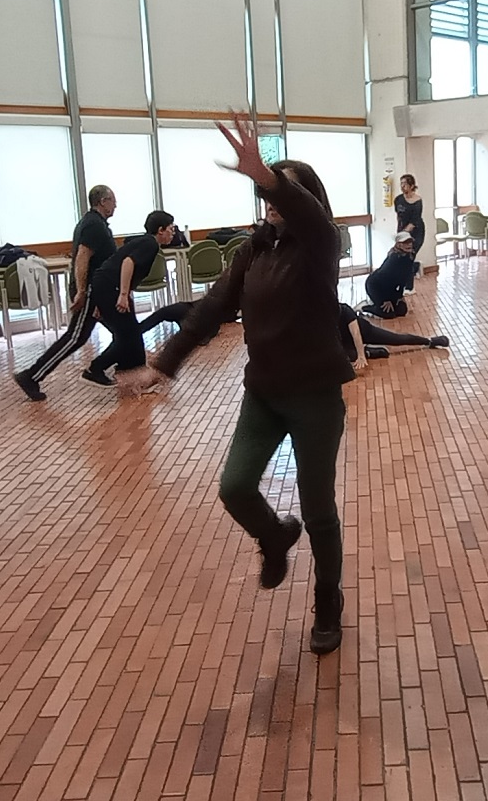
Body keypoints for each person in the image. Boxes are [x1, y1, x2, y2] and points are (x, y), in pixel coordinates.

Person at [118, 113, 353, 655]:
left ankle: (327, 599)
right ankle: (274, 536)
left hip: (315, 395)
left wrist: (268, 176)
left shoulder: (321, 245)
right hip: (264, 392)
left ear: (307, 199)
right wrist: (164, 362)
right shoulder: (253, 251)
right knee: (234, 487)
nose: (271, 200)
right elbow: (211, 308)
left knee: (318, 510)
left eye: (284, 192)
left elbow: (307, 216)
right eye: (268, 193)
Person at [14, 185, 117, 401]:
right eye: (113, 200)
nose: (116, 205)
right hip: (91, 290)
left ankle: (110, 369)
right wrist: (81, 291)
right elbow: (82, 257)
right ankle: (31, 375)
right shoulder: (93, 226)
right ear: (103, 201)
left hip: (100, 289)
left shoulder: (96, 223)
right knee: (75, 338)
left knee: (125, 332)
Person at [79, 210, 177, 389]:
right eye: (171, 228)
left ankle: (136, 375)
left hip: (105, 287)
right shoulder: (150, 244)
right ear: (161, 230)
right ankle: (95, 369)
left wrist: (107, 300)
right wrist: (123, 295)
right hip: (108, 286)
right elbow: (127, 263)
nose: (173, 233)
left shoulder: (145, 242)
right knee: (128, 335)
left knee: (130, 332)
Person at [339, 302, 448, 372]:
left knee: (397, 339)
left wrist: (361, 356)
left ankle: (430, 341)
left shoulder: (344, 310)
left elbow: (356, 333)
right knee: (346, 357)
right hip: (345, 342)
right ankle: (370, 351)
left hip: (365, 332)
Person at [360, 233, 417, 319]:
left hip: (390, 287)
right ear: (399, 244)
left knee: (402, 310)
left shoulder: (410, 257)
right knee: (388, 313)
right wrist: (386, 299)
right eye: (405, 242)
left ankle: (378, 304)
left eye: (410, 242)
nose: (409, 244)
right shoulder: (393, 259)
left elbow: (404, 278)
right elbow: (383, 280)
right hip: (375, 286)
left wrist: (399, 296)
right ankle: (364, 307)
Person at [394, 174, 425, 292]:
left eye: (405, 184)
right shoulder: (398, 200)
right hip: (402, 231)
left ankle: (409, 287)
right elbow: (399, 217)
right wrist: (399, 233)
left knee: (409, 256)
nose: (402, 186)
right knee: (403, 257)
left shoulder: (418, 201)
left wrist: (404, 233)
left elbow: (414, 220)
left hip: (416, 232)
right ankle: (416, 267)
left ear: (412, 186)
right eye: (401, 183)